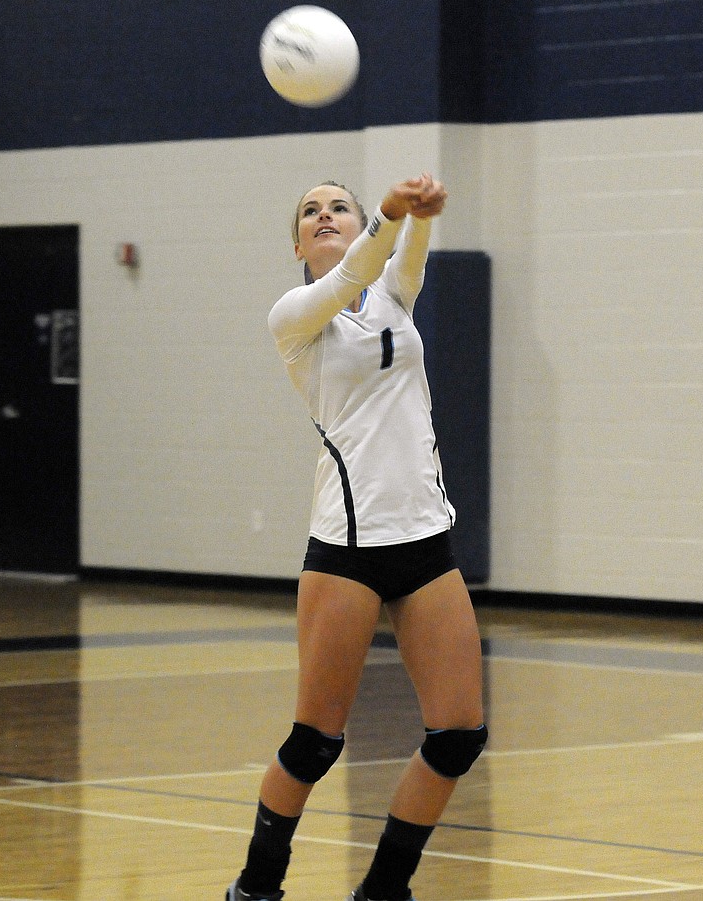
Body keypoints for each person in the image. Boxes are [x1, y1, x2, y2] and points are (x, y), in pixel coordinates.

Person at [226, 174, 487, 901]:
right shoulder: (296, 316)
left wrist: (420, 216)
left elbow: (401, 264)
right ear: (298, 241)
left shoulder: (394, 298)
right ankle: (255, 886)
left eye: (337, 204)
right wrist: (389, 215)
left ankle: (382, 889)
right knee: (315, 741)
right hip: (348, 550)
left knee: (458, 734)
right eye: (310, 210)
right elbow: (355, 273)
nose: (324, 215)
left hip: (425, 540)